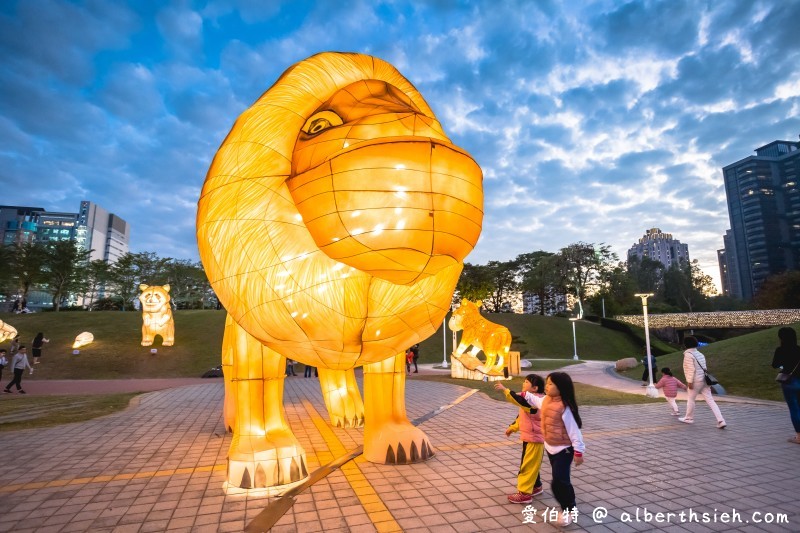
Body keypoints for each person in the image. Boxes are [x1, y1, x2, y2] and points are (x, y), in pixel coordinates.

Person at [496, 372, 584, 527]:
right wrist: (524, 395)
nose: (547, 386)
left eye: (551, 384)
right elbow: (531, 402)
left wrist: (578, 451)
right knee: (553, 477)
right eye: (547, 383)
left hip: (564, 450)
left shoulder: (564, 407)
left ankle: (568, 509)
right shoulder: (546, 400)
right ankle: (543, 490)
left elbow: (574, 431)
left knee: (558, 481)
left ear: (561, 388)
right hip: (550, 448)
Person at [499, 374, 546, 504]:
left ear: (535, 388)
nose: (523, 384)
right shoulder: (533, 400)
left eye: (526, 382)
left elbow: (517, 400)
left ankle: (525, 494)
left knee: (527, 466)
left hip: (535, 439)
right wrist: (512, 428)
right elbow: (522, 418)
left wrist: (505, 390)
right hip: (531, 437)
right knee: (531, 464)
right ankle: (536, 487)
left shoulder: (535, 401)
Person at [680, 336, 726, 429]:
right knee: (710, 400)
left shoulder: (688, 355)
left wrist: (689, 381)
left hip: (695, 381)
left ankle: (689, 418)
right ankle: (721, 420)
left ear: (686, 344)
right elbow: (705, 368)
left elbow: (690, 369)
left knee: (691, 399)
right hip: (704, 381)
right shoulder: (700, 354)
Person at [772, 327, 800, 444]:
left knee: (794, 409)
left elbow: (775, 364)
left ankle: (799, 437)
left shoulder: (780, 350)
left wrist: (783, 365)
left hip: (789, 382)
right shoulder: (799, 349)